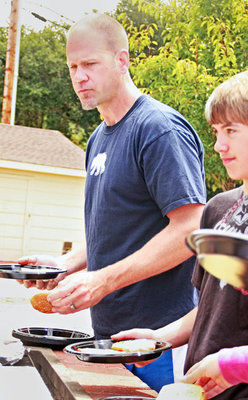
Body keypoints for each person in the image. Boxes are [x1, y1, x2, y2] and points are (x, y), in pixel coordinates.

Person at [18, 13, 206, 391]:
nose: (79, 77)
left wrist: (102, 280)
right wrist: (66, 264)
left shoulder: (157, 130)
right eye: (72, 66)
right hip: (108, 337)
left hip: (160, 339)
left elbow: (191, 228)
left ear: (122, 61)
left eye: (89, 64)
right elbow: (122, 228)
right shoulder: (98, 139)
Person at [111, 70, 248, 399]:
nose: (218, 145)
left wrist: (229, 364)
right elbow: (211, 306)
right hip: (199, 389)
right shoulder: (217, 209)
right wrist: (160, 339)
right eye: (216, 131)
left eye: (231, 130)